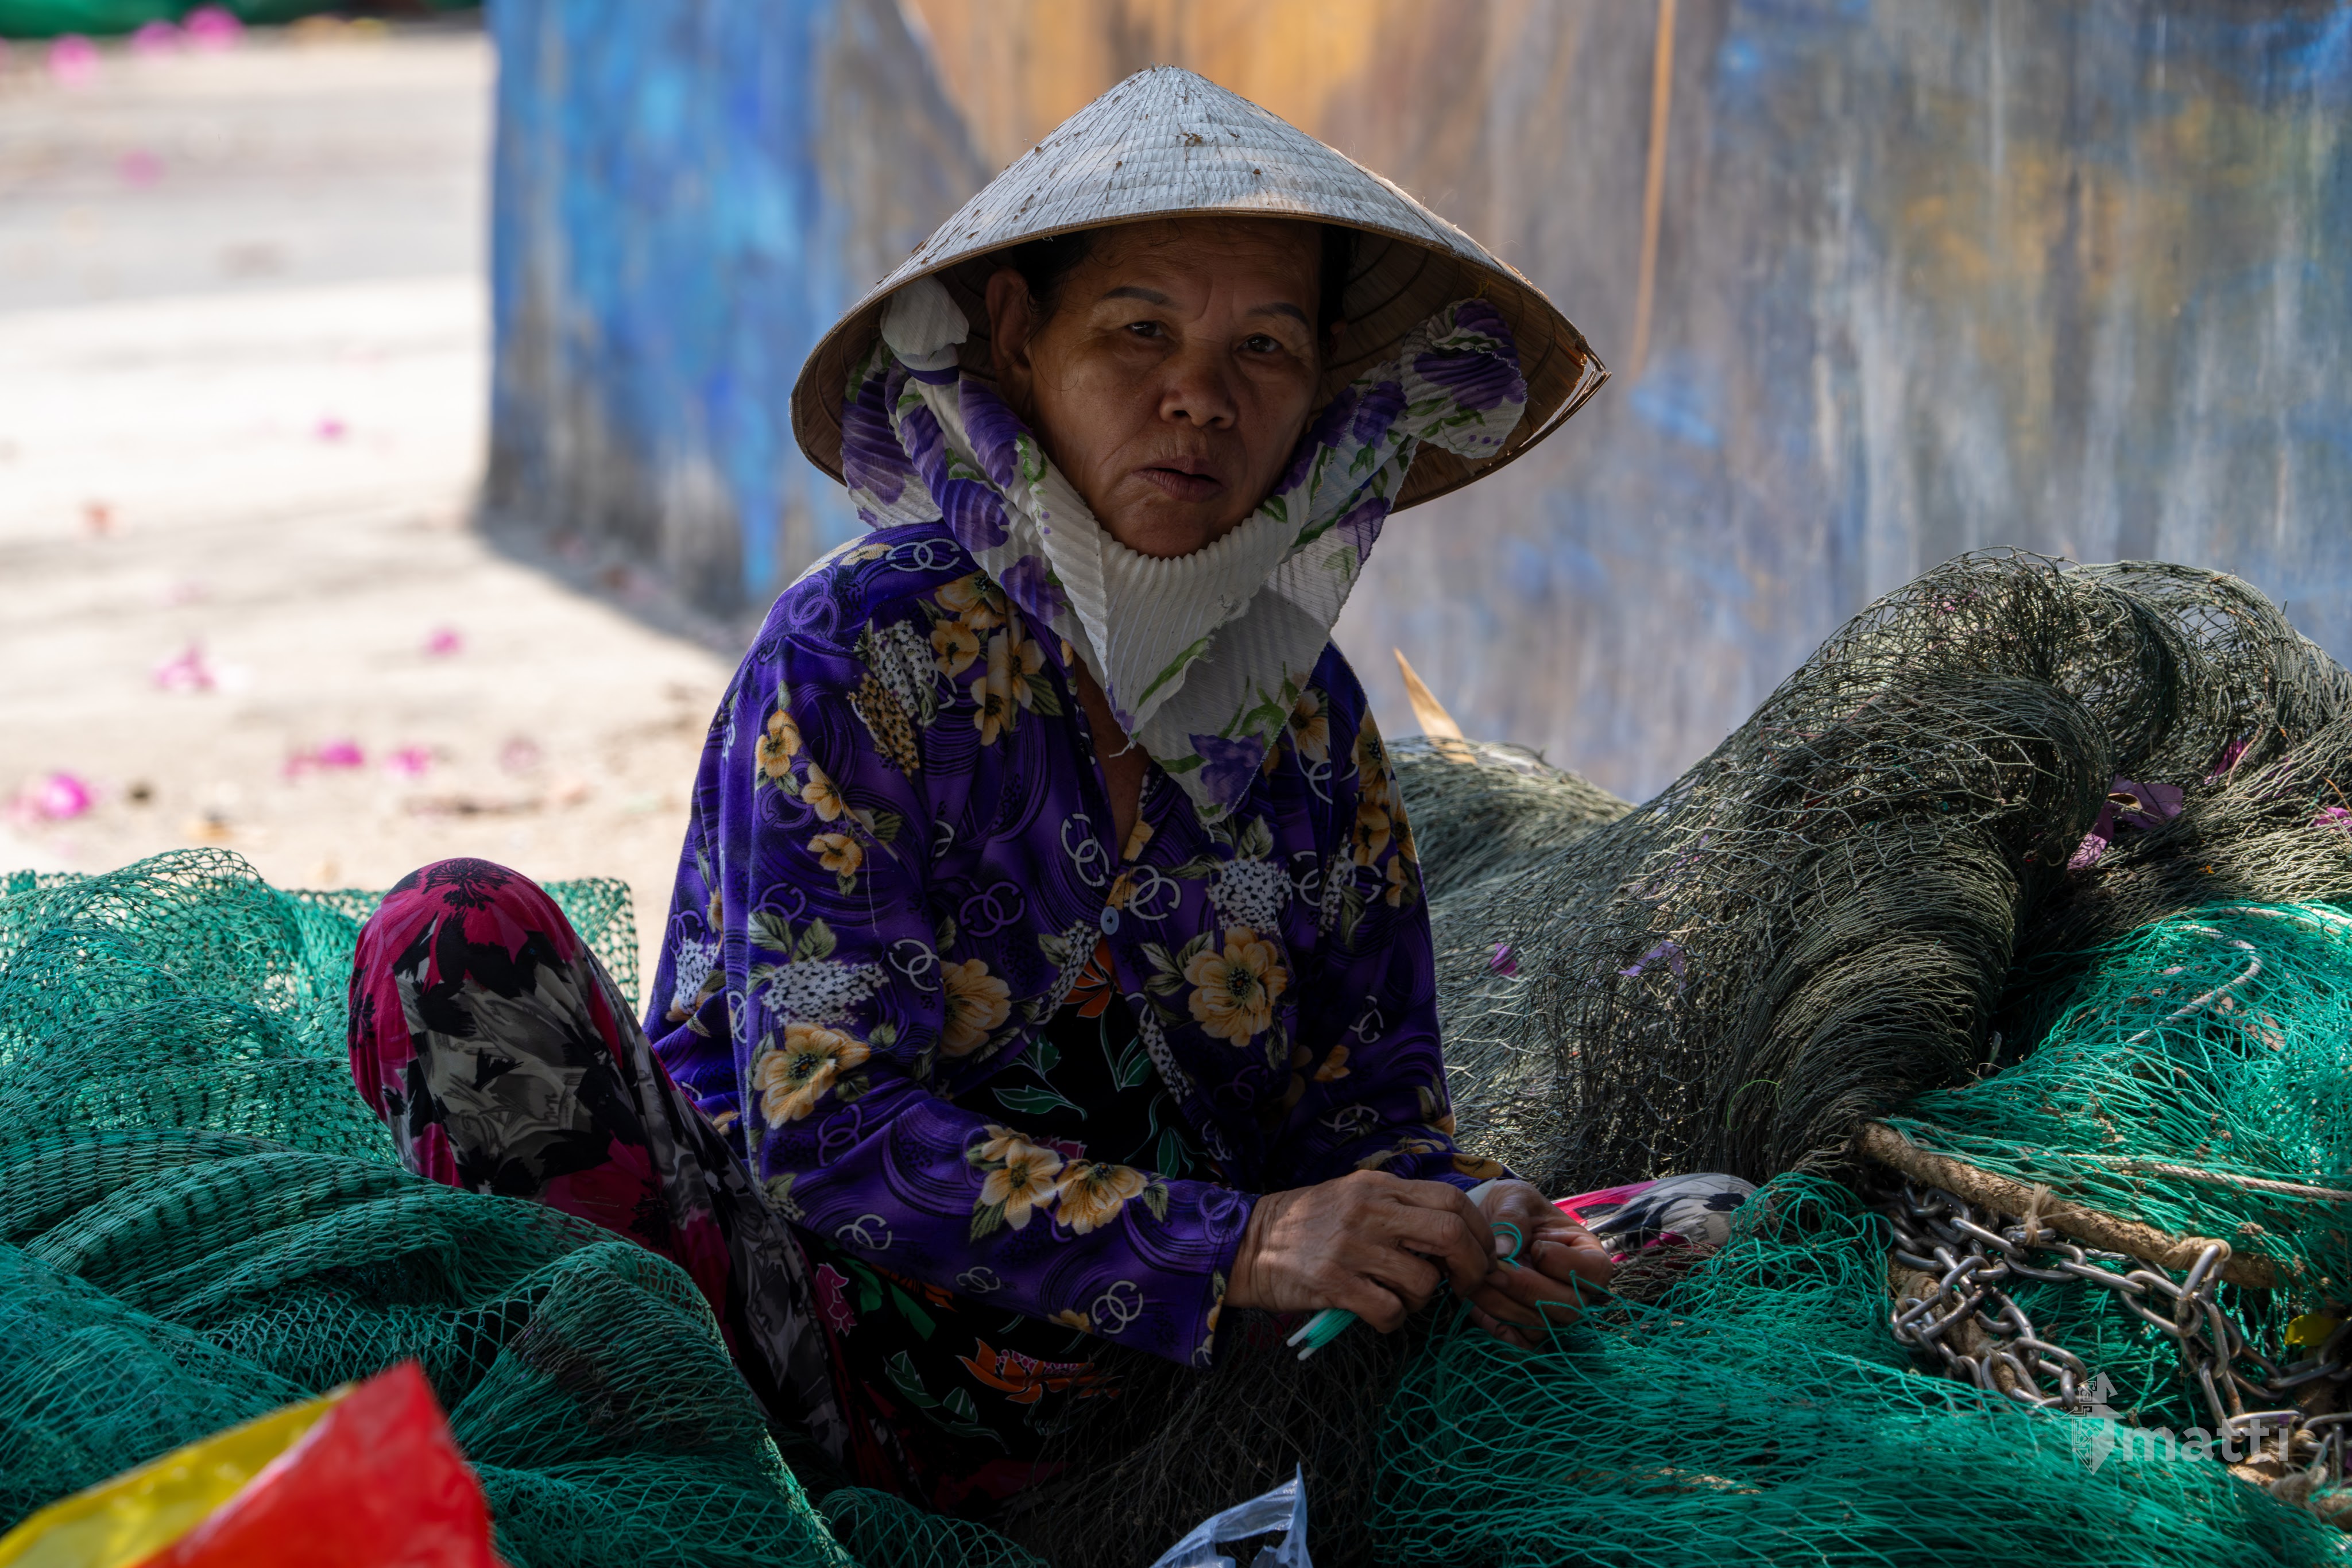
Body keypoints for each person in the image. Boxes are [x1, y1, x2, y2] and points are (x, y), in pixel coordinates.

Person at [349, 67, 1649, 1516]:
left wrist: (1459, 1217)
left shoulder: (1312, 723)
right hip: (771, 1359)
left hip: (1160, 1425)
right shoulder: (862, 651)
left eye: (1264, 348)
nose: (1199, 397)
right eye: (1139, 330)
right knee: (449, 936)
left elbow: (1369, 1130)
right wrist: (1234, 1244)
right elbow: (822, 1128)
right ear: (1020, 340)